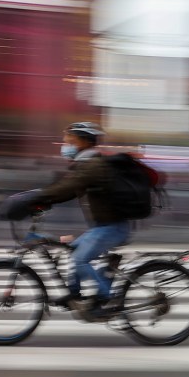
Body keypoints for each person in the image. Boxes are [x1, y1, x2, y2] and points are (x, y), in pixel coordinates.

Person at [36, 122, 131, 315]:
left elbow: (69, 186)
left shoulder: (93, 165)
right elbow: (69, 191)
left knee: (80, 259)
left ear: (84, 141)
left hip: (113, 227)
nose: (65, 143)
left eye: (70, 139)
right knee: (75, 251)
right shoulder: (86, 163)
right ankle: (74, 294)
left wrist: (35, 197)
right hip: (104, 226)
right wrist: (45, 200)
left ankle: (106, 298)